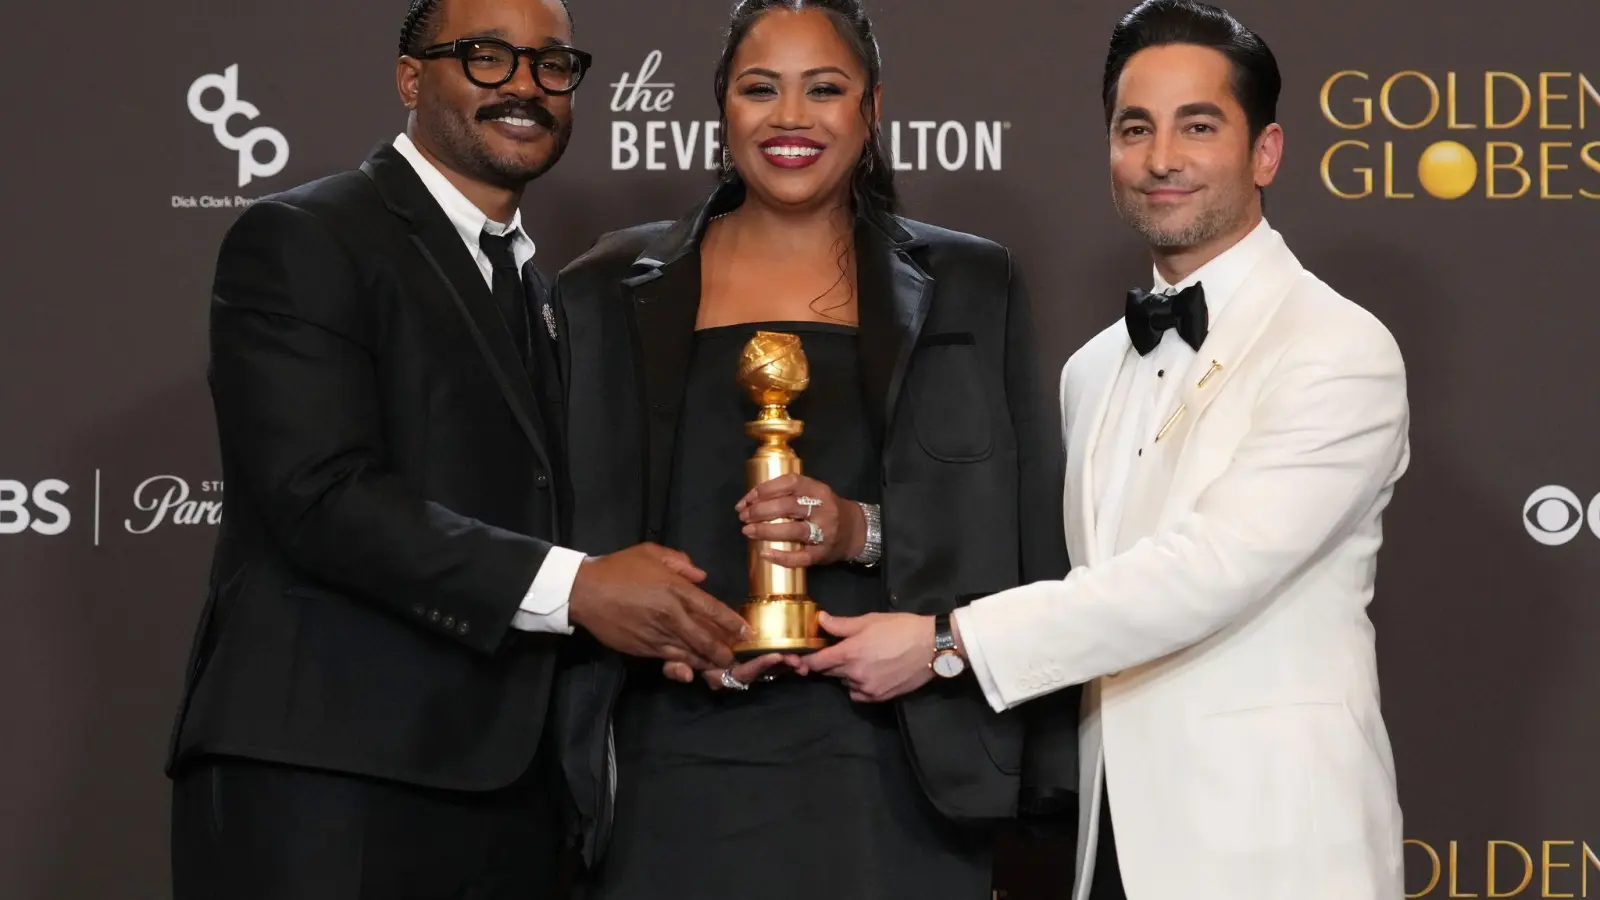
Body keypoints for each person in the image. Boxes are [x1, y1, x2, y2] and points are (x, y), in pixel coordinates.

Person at [803, 2, 1411, 899]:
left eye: (1198, 125)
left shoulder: (1339, 347)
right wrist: (863, 533)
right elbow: (1036, 548)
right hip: (1112, 842)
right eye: (1136, 128)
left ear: (1267, 151)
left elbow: (1206, 571)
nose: (1162, 157)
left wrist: (945, 642)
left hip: (1276, 845)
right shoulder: (1091, 369)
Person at [164, 0, 750, 896]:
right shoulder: (306, 236)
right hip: (327, 779)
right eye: (485, 57)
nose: (525, 84)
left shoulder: (542, 290)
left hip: (510, 790)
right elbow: (319, 495)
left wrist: (653, 620)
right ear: (409, 77)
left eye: (551, 64)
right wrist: (582, 588)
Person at [548, 1, 1075, 898]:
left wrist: (857, 529)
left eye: (824, 89)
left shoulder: (972, 283)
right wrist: (650, 634)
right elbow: (560, 535)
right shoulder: (602, 289)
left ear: (871, 110)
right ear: (722, 107)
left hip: (898, 763)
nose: (791, 117)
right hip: (670, 758)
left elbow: (1020, 534)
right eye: (761, 89)